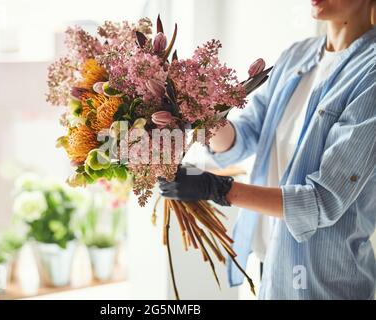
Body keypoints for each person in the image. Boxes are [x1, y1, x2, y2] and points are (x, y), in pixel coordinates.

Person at [159, 0, 376, 299]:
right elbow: (244, 135)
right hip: (270, 260)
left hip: (324, 282)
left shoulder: (371, 74)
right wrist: (201, 111)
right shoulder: (296, 56)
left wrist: (218, 189)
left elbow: (322, 202)